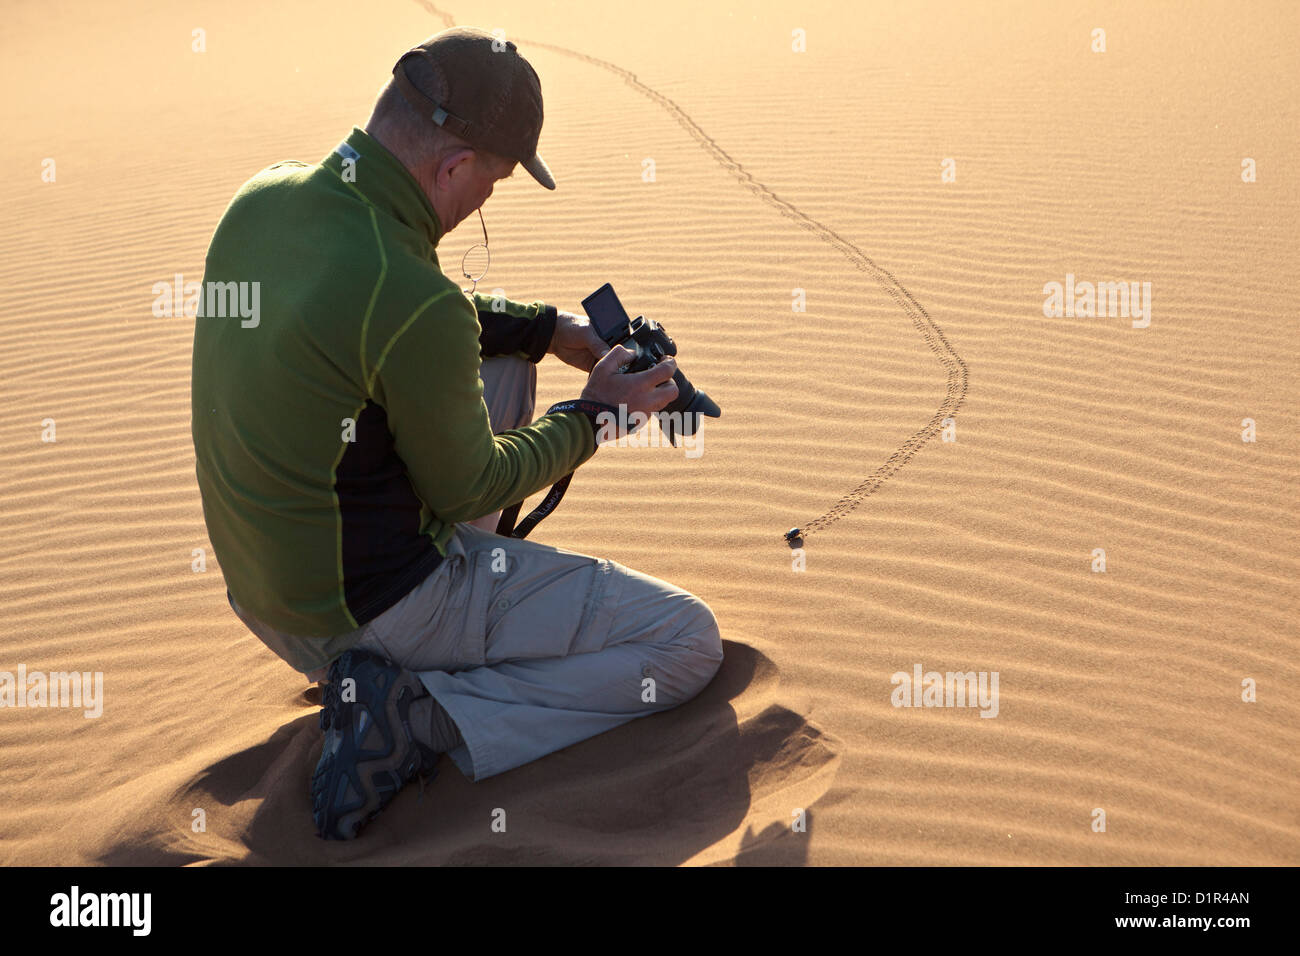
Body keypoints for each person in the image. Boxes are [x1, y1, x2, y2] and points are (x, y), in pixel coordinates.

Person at [190, 26, 723, 840]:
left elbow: (383, 317)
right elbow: (470, 484)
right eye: (497, 181)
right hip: (369, 612)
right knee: (686, 642)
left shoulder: (263, 199)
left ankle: (393, 667)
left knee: (502, 368)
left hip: (268, 600)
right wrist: (597, 418)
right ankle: (420, 715)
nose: (488, 199)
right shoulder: (414, 298)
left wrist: (552, 330)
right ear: (453, 168)